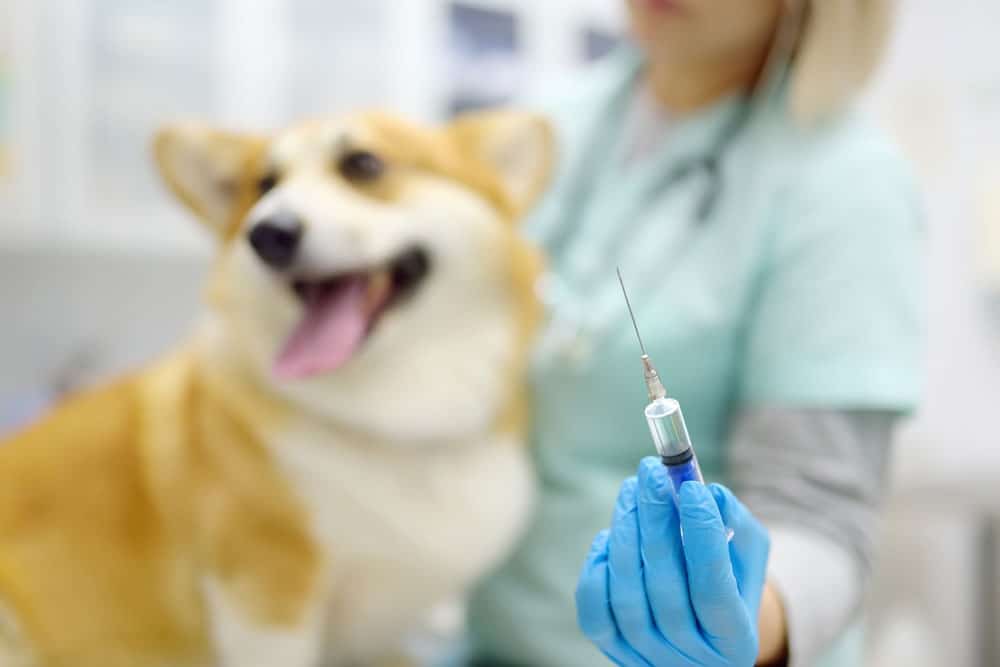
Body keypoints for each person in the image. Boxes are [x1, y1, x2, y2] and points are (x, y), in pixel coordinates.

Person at [466, 0, 923, 665]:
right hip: (500, 643)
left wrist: (736, 619)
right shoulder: (547, 123)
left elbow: (822, 518)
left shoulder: (846, 182)